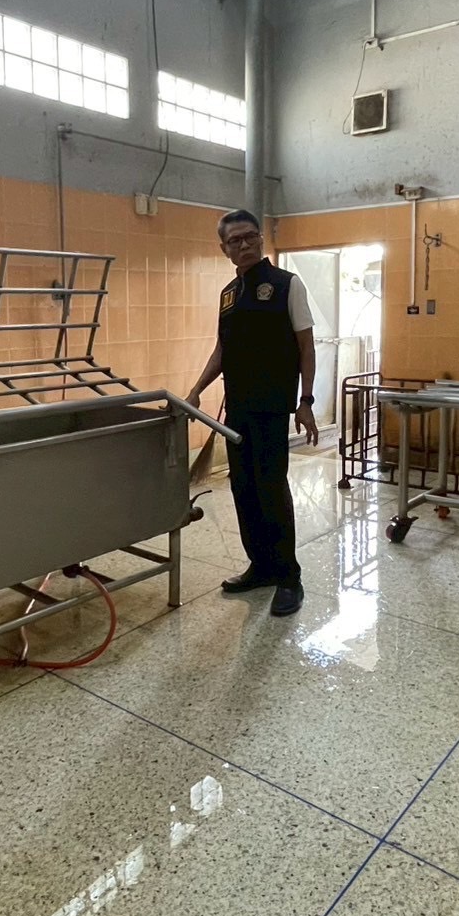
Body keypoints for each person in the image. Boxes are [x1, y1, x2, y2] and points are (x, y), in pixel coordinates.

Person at [186, 209, 319, 617]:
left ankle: (289, 577)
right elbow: (222, 350)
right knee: (243, 489)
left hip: (273, 408)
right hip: (238, 409)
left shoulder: (286, 285)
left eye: (250, 237)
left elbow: (306, 346)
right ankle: (260, 567)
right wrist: (196, 390)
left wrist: (306, 401)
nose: (243, 245)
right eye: (234, 240)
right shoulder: (229, 293)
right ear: (223, 248)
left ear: (260, 239)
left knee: (271, 489)